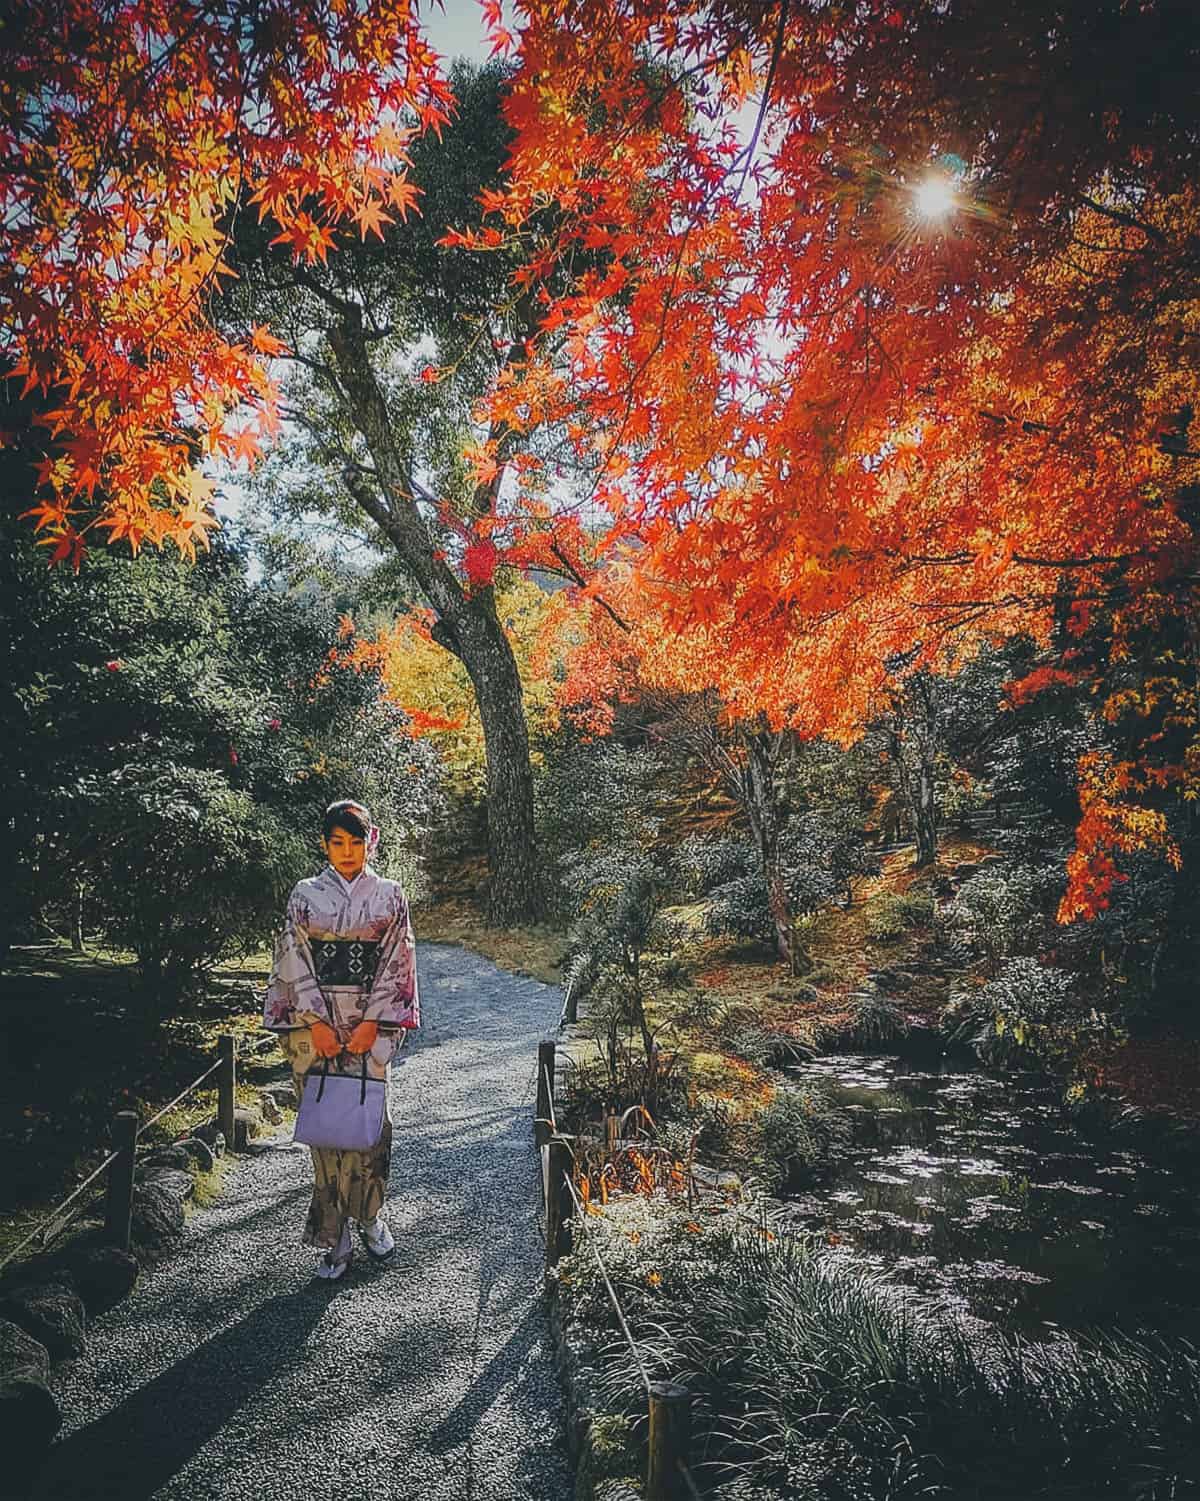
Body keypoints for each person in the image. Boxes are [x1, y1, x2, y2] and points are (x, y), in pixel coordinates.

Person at [262, 799, 420, 1280]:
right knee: (325, 1125)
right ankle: (336, 1234)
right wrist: (315, 1022)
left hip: (372, 1022)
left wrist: (374, 1021)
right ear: (324, 844)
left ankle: (370, 1214)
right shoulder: (305, 895)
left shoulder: (390, 895)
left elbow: (399, 958)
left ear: (370, 842)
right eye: (337, 842)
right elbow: (292, 956)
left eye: (355, 842)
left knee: (371, 1124)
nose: (347, 852)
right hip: (316, 1025)